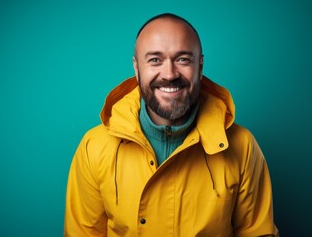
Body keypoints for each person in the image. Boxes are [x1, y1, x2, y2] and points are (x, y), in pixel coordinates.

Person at [64, 13, 279, 237]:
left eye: (183, 59)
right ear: (137, 68)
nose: (169, 74)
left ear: (200, 65)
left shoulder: (242, 147)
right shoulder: (94, 147)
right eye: (155, 60)